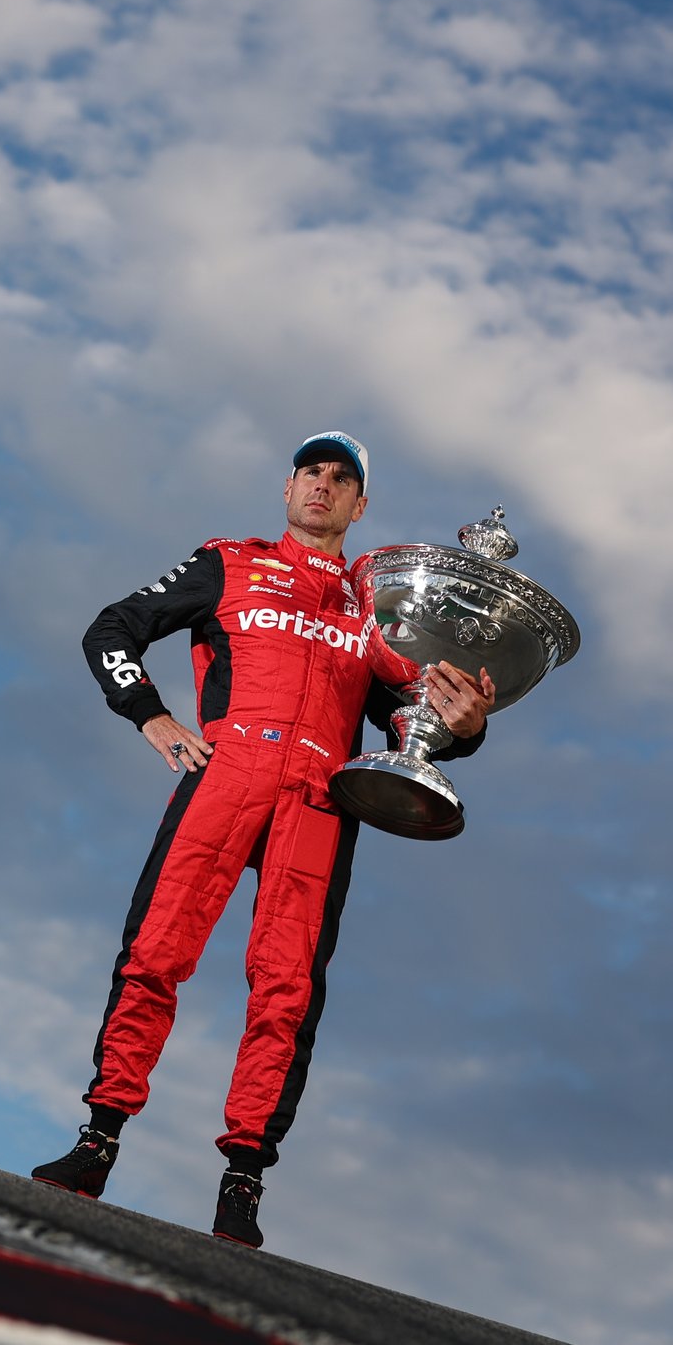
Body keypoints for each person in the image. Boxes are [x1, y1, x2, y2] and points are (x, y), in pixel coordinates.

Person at [31, 431, 496, 1248]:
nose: (322, 486)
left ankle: (242, 1181)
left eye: (340, 478)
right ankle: (97, 1141)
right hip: (228, 769)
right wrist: (153, 715)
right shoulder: (229, 561)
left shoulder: (379, 608)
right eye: (310, 472)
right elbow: (111, 629)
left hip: (322, 795)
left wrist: (463, 726)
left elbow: (413, 725)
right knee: (156, 952)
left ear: (361, 505)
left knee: (286, 990)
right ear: (287, 490)